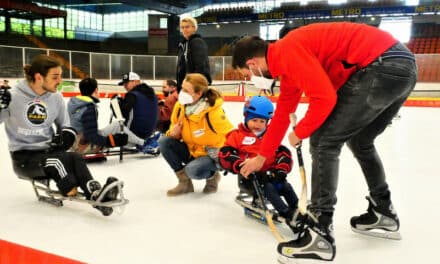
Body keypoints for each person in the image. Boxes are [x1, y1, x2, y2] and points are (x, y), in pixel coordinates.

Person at [232, 22, 417, 262]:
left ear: (252, 64)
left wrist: (301, 131)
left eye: (246, 75)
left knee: (323, 141)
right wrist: (262, 156)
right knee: (361, 141)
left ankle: (320, 231)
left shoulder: (288, 50)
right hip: (402, 66)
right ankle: (384, 211)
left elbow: (324, 99)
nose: (249, 79)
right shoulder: (286, 62)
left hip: (382, 65)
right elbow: (281, 114)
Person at [0, 55, 124, 216]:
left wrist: (66, 136)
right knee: (57, 161)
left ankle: (97, 193)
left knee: (76, 157)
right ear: (38, 77)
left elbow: (67, 126)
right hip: (24, 158)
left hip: (49, 152)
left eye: (60, 76)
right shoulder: (13, 96)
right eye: (55, 77)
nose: (60, 81)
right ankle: (69, 187)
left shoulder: (55, 97)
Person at [218, 96, 299, 231]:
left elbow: (283, 154)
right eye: (254, 120)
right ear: (246, 117)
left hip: (271, 175)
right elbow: (225, 154)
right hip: (250, 179)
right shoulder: (237, 136)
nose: (258, 124)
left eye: (262, 121)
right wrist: (239, 165)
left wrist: (281, 170)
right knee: (268, 188)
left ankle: (297, 209)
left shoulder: (271, 136)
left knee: (285, 186)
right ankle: (286, 213)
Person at [159, 73, 233, 196]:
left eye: (186, 90)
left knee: (192, 170)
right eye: (181, 88)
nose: (181, 92)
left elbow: (231, 134)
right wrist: (173, 133)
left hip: (209, 155)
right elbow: (173, 128)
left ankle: (212, 176)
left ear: (198, 94)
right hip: (191, 150)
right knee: (164, 142)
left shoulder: (212, 112)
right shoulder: (180, 107)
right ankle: (185, 183)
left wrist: (223, 156)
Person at [68, 77, 157, 154]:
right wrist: (112, 141)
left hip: (75, 142)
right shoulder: (89, 108)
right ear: (96, 90)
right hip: (83, 146)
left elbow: (88, 131)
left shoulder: (75, 103)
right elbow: (91, 136)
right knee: (118, 126)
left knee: (116, 125)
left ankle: (140, 142)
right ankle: (143, 144)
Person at [117, 71, 160, 154]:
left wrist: (117, 104)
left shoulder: (132, 95)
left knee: (115, 126)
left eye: (127, 83)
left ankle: (138, 143)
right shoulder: (152, 94)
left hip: (135, 133)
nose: (125, 86)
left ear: (135, 82)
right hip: (150, 131)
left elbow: (122, 115)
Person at [176, 16, 211, 92]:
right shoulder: (183, 44)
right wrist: (179, 86)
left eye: (187, 27)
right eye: (182, 27)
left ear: (194, 28)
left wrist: (195, 85)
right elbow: (181, 68)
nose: (184, 30)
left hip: (195, 86)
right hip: (186, 85)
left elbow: (200, 66)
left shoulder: (197, 42)